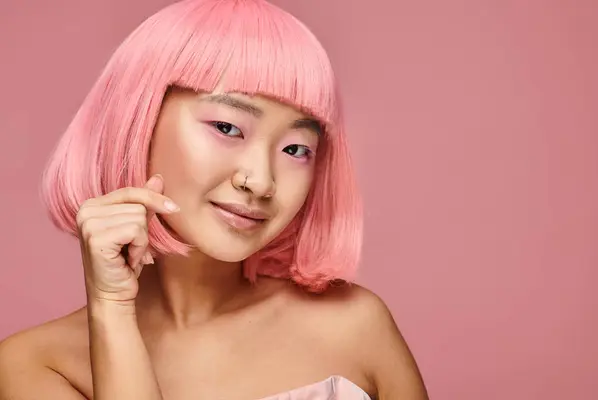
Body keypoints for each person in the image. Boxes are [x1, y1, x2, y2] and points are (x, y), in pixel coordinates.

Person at [0, 0, 429, 398]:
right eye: (227, 127)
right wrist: (110, 311)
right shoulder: (37, 366)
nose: (260, 181)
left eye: (296, 149)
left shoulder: (354, 325)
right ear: (139, 118)